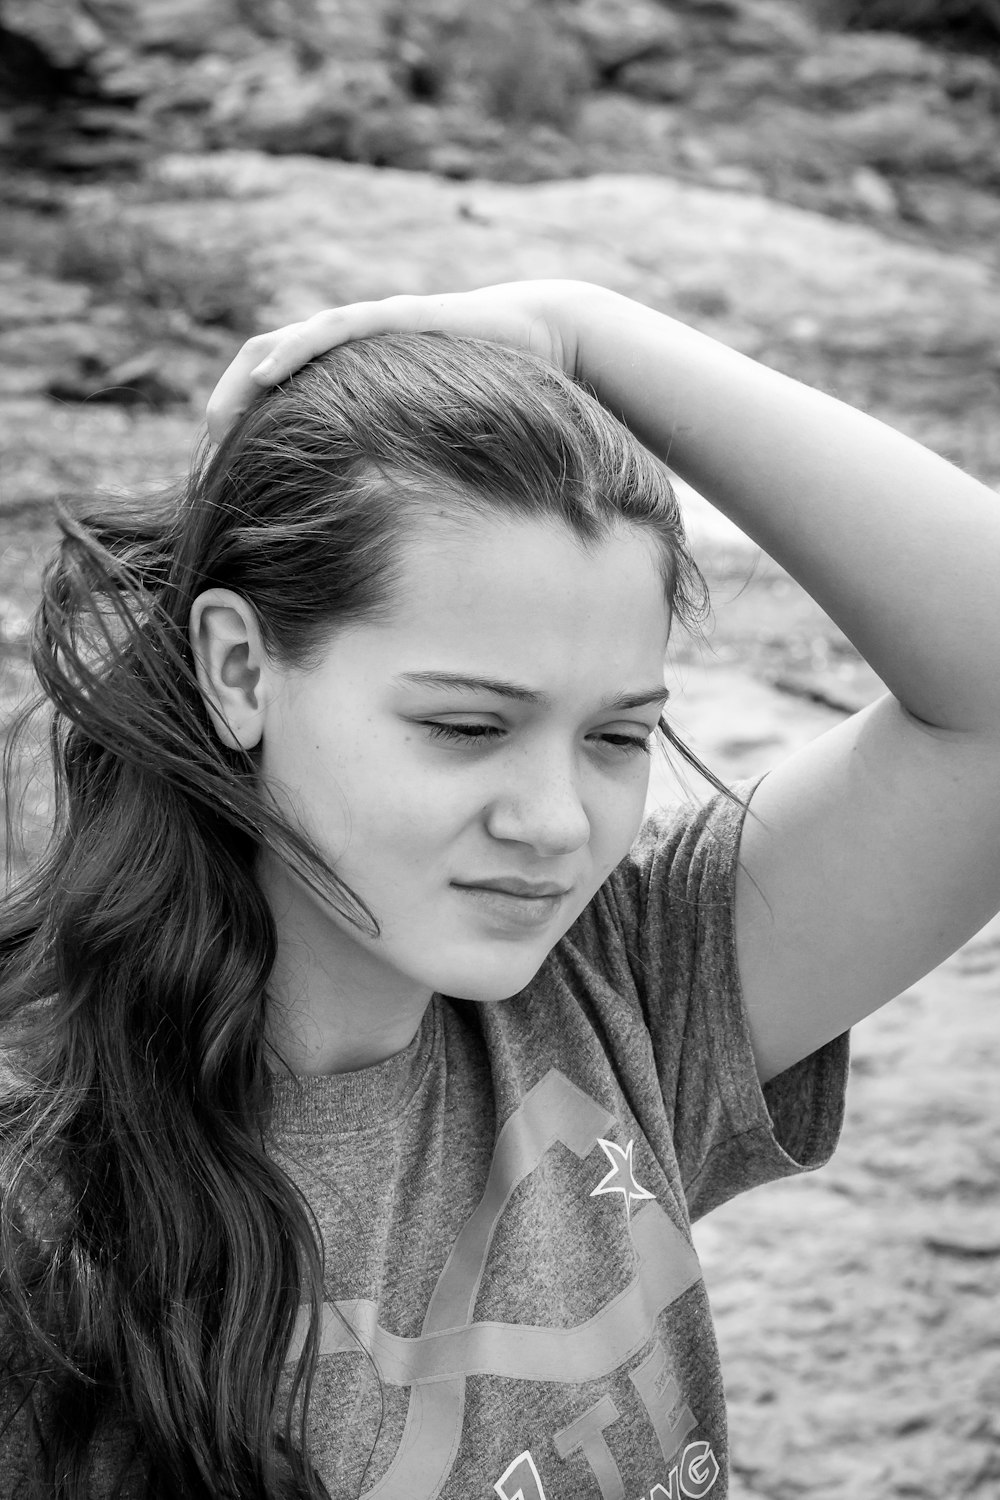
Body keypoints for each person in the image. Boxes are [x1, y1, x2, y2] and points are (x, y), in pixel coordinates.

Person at [1, 278, 998, 1500]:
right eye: (468, 726)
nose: (555, 825)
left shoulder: (623, 988)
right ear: (241, 668)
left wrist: (585, 326)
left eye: (617, 739)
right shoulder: (37, 1191)